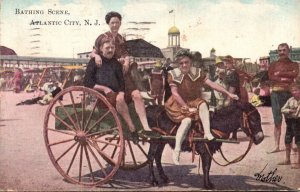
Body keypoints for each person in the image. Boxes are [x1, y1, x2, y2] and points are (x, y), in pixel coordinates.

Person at [165, 50, 239, 165]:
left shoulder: (197, 72)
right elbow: (175, 93)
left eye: (187, 62)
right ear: (178, 64)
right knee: (187, 121)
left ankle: (207, 133)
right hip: (178, 103)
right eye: (181, 63)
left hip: (193, 101)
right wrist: (186, 107)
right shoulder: (173, 74)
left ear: (191, 62)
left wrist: (228, 93)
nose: (184, 65)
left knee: (203, 104)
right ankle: (177, 150)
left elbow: (212, 84)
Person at [90, 11, 152, 135]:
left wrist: (126, 60)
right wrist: (96, 56)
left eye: (117, 23)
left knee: (136, 93)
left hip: (121, 71)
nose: (115, 25)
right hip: (109, 74)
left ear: (120, 23)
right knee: (120, 95)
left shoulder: (121, 38)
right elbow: (93, 52)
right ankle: (131, 126)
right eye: (112, 23)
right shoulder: (102, 37)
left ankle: (146, 128)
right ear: (108, 24)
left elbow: (125, 53)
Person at [268, 43, 299, 153]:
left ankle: (293, 145)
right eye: (280, 50)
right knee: (277, 121)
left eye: (284, 50)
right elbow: (271, 76)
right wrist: (286, 76)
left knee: (291, 120)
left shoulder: (294, 64)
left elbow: (295, 74)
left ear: (288, 51)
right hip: (276, 94)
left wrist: (279, 75)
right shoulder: (273, 64)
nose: (281, 52)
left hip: (289, 94)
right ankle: (276, 145)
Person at [279, 82, 300, 169]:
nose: (294, 92)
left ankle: (298, 162)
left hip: (298, 122)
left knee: (299, 142)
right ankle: (287, 159)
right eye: (293, 90)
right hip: (290, 122)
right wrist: (290, 111)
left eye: (296, 90)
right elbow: (282, 109)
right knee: (287, 140)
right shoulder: (290, 100)